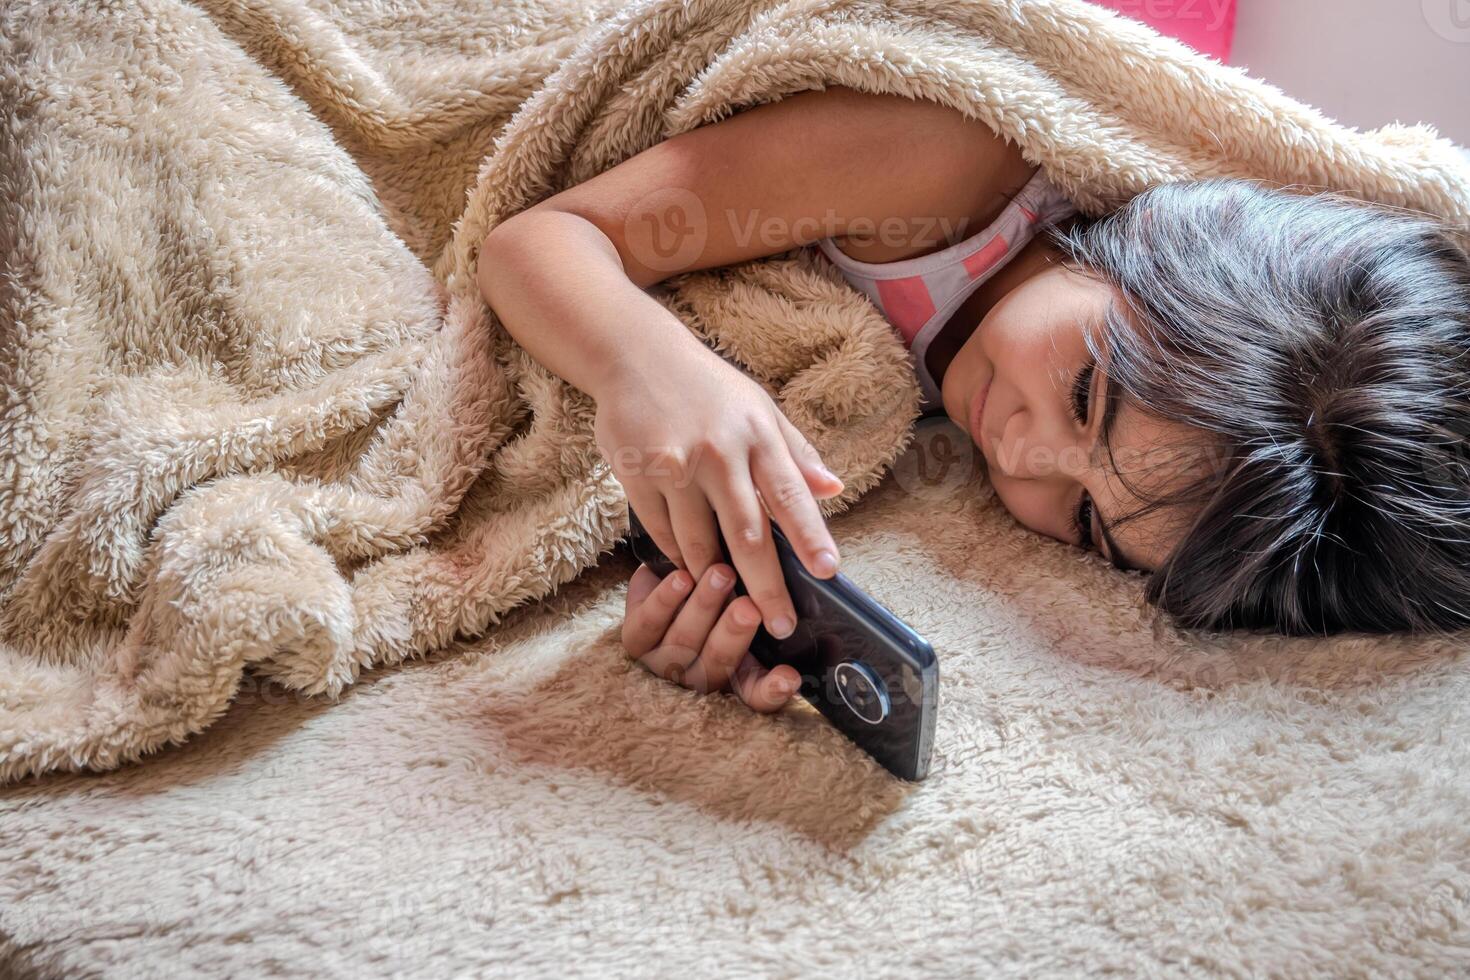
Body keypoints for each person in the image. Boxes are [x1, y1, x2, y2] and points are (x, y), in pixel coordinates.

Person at [476, 85, 1470, 712]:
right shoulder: (943, 166)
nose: (1024, 455)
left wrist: (698, 577)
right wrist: (659, 370)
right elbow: (536, 241)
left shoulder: (1000, 392)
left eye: (1086, 519)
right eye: (1087, 397)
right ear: (1158, 247)